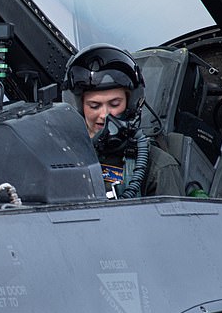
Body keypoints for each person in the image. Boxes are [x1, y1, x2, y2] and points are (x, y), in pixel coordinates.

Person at [63, 43, 184, 198]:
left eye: (114, 104)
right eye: (94, 105)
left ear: (131, 104)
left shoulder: (158, 167)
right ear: (80, 108)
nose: (104, 115)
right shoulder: (62, 159)